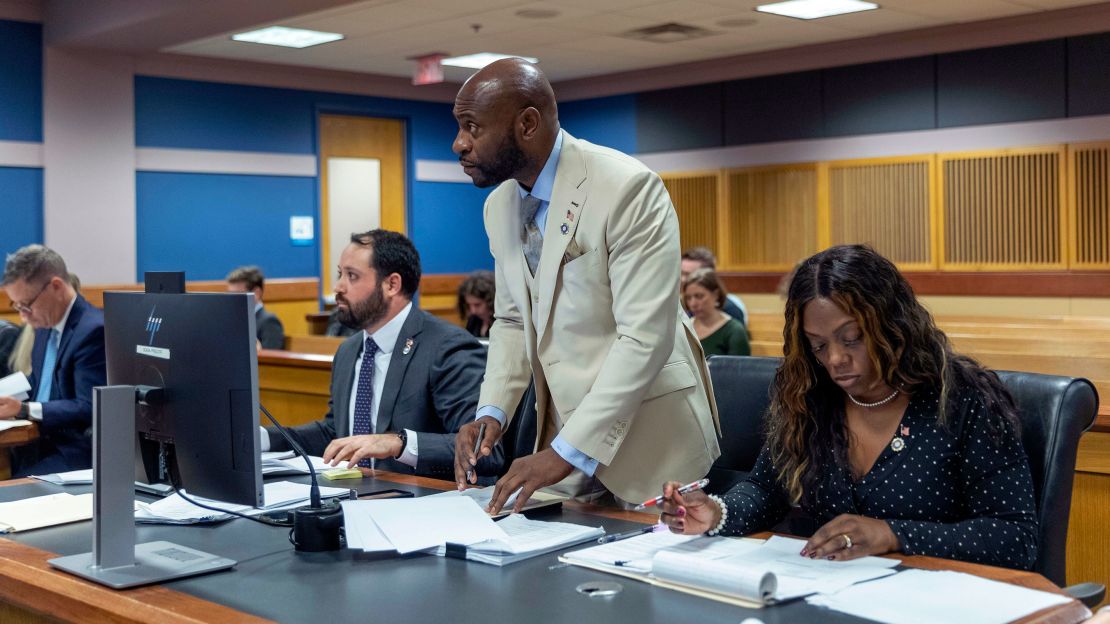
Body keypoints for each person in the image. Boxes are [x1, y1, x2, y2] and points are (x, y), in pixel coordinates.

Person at [657, 244, 1038, 571]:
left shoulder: (963, 400)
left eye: (852, 338)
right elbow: (765, 490)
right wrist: (716, 513)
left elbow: (1015, 537)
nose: (836, 359)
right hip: (830, 592)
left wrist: (892, 534)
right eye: (818, 345)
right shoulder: (808, 396)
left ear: (892, 324)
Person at [451, 58, 720, 514]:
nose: (459, 144)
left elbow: (644, 337)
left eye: (472, 127)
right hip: (564, 446)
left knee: (655, 579)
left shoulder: (626, 187)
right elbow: (514, 320)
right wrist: (491, 411)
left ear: (527, 124)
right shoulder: (498, 206)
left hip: (654, 442)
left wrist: (563, 452)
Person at [264, 229, 496, 479]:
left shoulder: (447, 347)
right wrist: (264, 438)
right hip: (355, 496)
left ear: (391, 284)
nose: (338, 287)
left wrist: (400, 444)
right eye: (340, 274)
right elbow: (337, 433)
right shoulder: (349, 350)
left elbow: (483, 449)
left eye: (352, 276)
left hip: (422, 503)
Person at [0, 245, 106, 476]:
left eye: (26, 305)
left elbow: (90, 406)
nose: (22, 316)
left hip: (72, 451)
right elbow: (38, 380)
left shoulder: (93, 331)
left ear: (56, 286)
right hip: (36, 442)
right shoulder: (46, 323)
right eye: (16, 306)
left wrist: (24, 409)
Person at [683, 268, 750, 357]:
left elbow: (740, 369)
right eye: (688, 298)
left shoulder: (734, 330)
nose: (693, 303)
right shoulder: (684, 328)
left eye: (699, 296)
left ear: (716, 295)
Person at [681, 246, 747, 326]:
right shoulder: (680, 303)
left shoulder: (730, 310)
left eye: (689, 274)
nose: (683, 279)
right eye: (681, 273)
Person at [226, 265, 284, 349]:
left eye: (237, 295)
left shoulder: (269, 322)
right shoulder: (233, 319)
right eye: (230, 295)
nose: (232, 300)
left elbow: (271, 358)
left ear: (256, 293)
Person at [457, 270, 495, 338]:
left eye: (477, 305)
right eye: (468, 305)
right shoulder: (474, 319)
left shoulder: (504, 324)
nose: (473, 311)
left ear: (491, 301)